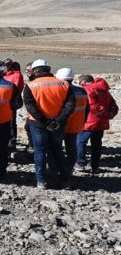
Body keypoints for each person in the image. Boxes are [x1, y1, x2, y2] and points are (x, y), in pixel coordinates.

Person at [23, 59, 75, 189]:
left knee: (39, 151)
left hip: (38, 124)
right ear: (49, 69)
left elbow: (30, 106)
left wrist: (44, 121)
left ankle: (41, 181)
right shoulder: (64, 84)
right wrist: (58, 120)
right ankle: (65, 180)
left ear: (35, 71)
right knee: (58, 151)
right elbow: (70, 105)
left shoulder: (30, 85)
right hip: (58, 124)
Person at [75, 74, 118, 173]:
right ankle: (95, 166)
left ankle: (80, 163)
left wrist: (103, 113)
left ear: (83, 82)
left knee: (81, 141)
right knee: (97, 144)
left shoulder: (87, 89)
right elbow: (114, 106)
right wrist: (110, 114)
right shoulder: (105, 91)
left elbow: (93, 106)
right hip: (101, 122)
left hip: (89, 121)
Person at [54, 68, 89, 174]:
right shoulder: (82, 91)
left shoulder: (60, 91)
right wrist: (83, 121)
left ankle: (58, 170)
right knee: (72, 149)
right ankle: (69, 170)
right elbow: (87, 109)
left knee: (56, 148)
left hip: (60, 125)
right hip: (75, 125)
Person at [3, 58, 25, 151]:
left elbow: (16, 89)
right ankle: (4, 137)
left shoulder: (17, 75)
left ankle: (12, 139)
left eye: (6, 65)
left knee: (11, 121)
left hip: (11, 101)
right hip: (2, 101)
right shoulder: (4, 75)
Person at [23, 62, 36, 153]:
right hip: (32, 111)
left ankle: (33, 146)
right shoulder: (31, 80)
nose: (27, 72)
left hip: (35, 111)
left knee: (29, 127)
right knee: (28, 127)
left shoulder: (34, 82)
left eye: (28, 70)